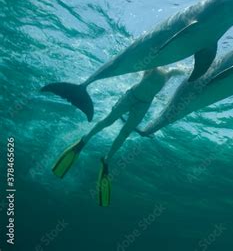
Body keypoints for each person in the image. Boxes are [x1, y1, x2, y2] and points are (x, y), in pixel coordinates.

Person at [51, 65, 189, 206]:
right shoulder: (153, 66)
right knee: (108, 121)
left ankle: (107, 159)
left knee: (125, 133)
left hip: (143, 105)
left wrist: (192, 70)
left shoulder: (169, 73)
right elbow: (145, 61)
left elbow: (185, 70)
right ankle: (84, 140)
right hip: (131, 96)